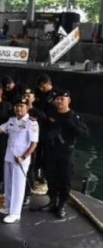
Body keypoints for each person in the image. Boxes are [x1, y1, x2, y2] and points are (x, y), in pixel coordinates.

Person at [0, 97, 39, 223]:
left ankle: (15, 213)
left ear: (27, 108)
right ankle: (8, 206)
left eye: (21, 106)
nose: (19, 108)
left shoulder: (31, 123)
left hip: (20, 158)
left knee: (18, 185)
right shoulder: (12, 120)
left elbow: (34, 143)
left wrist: (24, 157)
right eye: (17, 106)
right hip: (9, 156)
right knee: (9, 183)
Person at [37, 89, 88, 219]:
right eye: (57, 99)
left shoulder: (75, 117)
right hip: (51, 151)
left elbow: (85, 134)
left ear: (68, 101)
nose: (59, 101)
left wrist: (72, 126)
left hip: (66, 152)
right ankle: (52, 201)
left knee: (65, 180)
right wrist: (47, 137)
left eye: (62, 99)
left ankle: (61, 205)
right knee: (51, 177)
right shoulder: (51, 114)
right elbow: (42, 131)